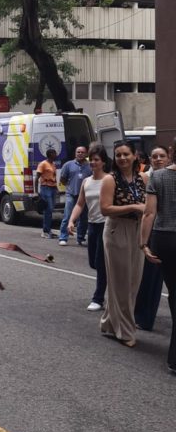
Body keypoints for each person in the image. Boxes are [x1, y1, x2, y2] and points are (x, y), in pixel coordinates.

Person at [99, 140, 146, 347]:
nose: (122, 158)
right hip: (117, 230)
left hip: (138, 230)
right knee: (121, 283)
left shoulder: (143, 178)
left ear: (135, 156)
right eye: (118, 154)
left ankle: (109, 322)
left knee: (133, 281)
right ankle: (125, 331)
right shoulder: (110, 179)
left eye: (126, 154)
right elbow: (105, 209)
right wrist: (134, 207)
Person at [140, 146, 176, 375]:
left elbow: (149, 213)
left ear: (172, 152)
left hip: (165, 238)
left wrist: (143, 243)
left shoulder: (159, 176)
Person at [68, 143, 109, 311]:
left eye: (96, 159)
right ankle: (110, 282)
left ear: (103, 162)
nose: (93, 162)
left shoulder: (109, 180)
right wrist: (71, 220)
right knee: (93, 262)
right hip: (92, 225)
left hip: (107, 226)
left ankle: (98, 298)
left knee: (101, 263)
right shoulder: (86, 181)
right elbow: (80, 204)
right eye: (91, 159)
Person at [134, 145, 169, 332]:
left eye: (162, 156)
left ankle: (143, 317)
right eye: (154, 156)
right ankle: (141, 316)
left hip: (162, 233)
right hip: (147, 230)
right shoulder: (143, 177)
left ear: (168, 157)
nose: (158, 159)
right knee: (145, 277)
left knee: (155, 278)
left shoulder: (168, 177)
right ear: (149, 159)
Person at [58, 146, 91, 245]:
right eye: (78, 152)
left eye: (82, 152)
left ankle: (80, 238)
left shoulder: (90, 166)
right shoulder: (68, 165)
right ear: (75, 153)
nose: (80, 154)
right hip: (71, 194)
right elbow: (62, 179)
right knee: (67, 216)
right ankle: (63, 237)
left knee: (84, 218)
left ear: (86, 154)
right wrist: (70, 186)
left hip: (85, 195)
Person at [35, 148, 59, 238]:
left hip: (52, 188)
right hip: (45, 188)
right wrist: (36, 192)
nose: (56, 155)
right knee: (48, 210)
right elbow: (36, 178)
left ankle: (49, 230)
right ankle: (45, 231)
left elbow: (53, 177)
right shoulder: (43, 164)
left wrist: (56, 188)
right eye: (54, 153)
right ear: (50, 155)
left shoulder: (53, 164)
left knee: (51, 209)